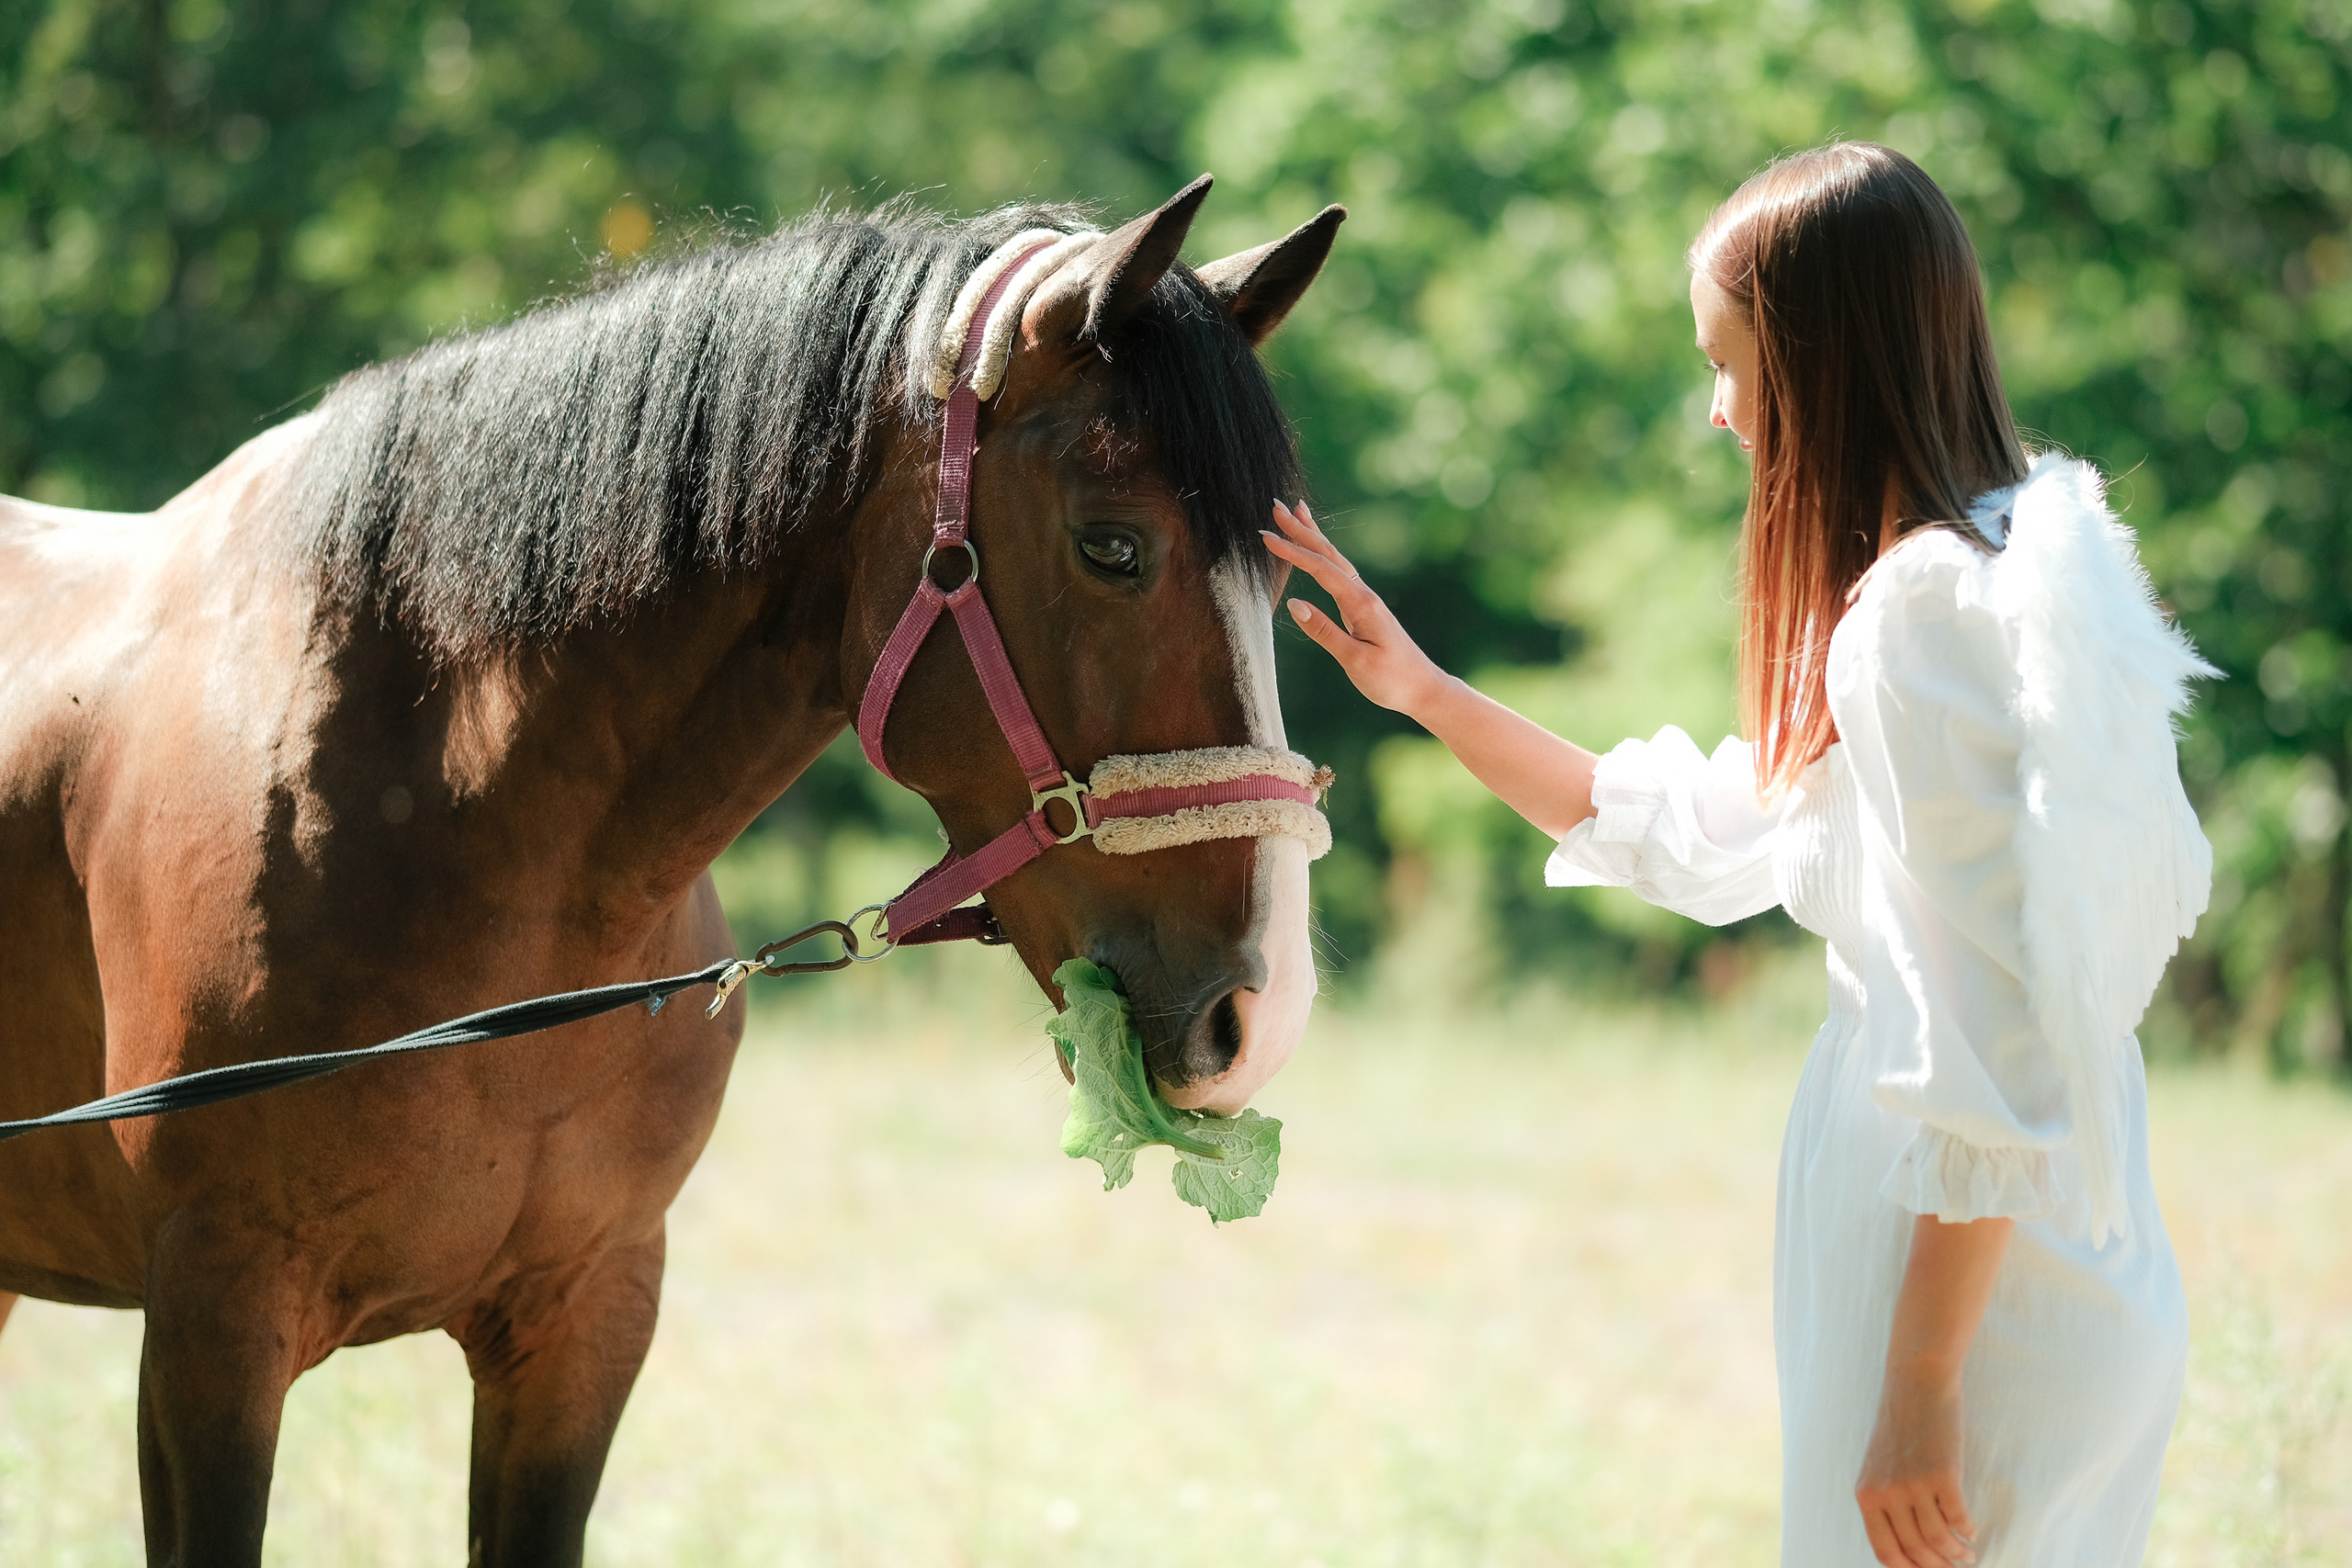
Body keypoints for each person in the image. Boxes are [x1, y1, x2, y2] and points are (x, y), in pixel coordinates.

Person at [1266, 141, 2212, 1568]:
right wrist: (1428, 693)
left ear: (1826, 360)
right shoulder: (2009, 568)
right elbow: (1715, 835)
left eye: (1729, 364)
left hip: (1978, 1314)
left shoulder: (1920, 624)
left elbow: (2002, 1041)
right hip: (2039, 1274)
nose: (1718, 411)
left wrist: (1920, 1384)